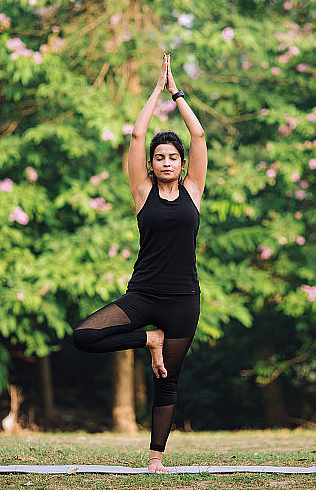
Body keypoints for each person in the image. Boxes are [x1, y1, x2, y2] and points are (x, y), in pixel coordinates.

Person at [72, 54, 207, 474]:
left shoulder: (194, 191)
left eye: (173, 157)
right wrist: (156, 90)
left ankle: (156, 459)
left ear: (181, 164)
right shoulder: (142, 193)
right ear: (151, 164)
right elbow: (136, 133)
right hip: (143, 296)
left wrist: (177, 93)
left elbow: (199, 135)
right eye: (159, 157)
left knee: (167, 381)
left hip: (183, 300)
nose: (166, 162)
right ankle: (148, 340)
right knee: (84, 336)